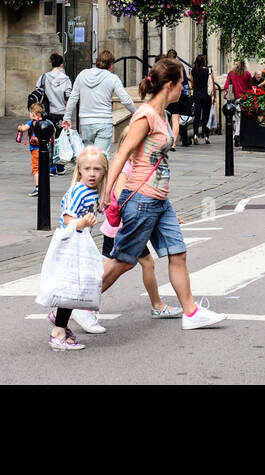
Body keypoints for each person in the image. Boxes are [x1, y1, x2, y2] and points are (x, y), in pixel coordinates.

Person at [98, 57, 226, 330]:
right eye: (182, 84)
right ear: (169, 85)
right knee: (122, 262)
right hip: (141, 199)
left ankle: (191, 313)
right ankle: (76, 304)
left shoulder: (163, 115)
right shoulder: (144, 116)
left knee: (178, 253)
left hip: (159, 201)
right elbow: (122, 153)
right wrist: (107, 192)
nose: (184, 89)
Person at [99, 149, 181, 322]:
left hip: (125, 226)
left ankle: (80, 304)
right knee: (115, 267)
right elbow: (121, 195)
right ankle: (80, 304)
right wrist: (138, 213)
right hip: (124, 227)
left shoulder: (135, 166)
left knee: (135, 264)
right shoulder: (127, 168)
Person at [45, 146, 107, 350]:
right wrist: (82, 223)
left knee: (76, 287)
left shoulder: (92, 191)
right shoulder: (78, 191)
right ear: (79, 170)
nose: (92, 173)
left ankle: (59, 319)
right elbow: (68, 218)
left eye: (97, 169)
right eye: (87, 169)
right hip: (70, 246)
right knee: (71, 289)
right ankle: (58, 332)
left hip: (79, 244)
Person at [62, 50, 136, 158]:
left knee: (89, 157)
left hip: (86, 122)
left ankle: (88, 175)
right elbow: (126, 100)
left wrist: (67, 117)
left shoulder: (82, 75)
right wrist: (136, 112)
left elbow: (73, 97)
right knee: (100, 158)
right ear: (111, 64)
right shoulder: (113, 78)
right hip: (104, 121)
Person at [37, 53, 73, 131]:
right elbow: (68, 97)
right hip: (61, 113)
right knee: (61, 139)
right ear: (61, 65)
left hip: (47, 113)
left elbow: (38, 92)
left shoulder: (44, 77)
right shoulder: (66, 79)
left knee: (48, 138)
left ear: (51, 64)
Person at [224, 60, 254, 145]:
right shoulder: (247, 74)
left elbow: (226, 86)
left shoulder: (230, 74)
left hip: (233, 99)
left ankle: (235, 134)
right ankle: (237, 135)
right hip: (243, 99)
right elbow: (250, 87)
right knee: (239, 118)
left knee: (234, 118)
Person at [189, 55, 214, 144]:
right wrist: (214, 97)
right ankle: (206, 136)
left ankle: (195, 135)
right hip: (206, 96)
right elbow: (212, 84)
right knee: (206, 116)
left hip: (197, 95)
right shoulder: (209, 71)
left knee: (197, 116)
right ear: (204, 61)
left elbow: (192, 84)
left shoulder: (193, 71)